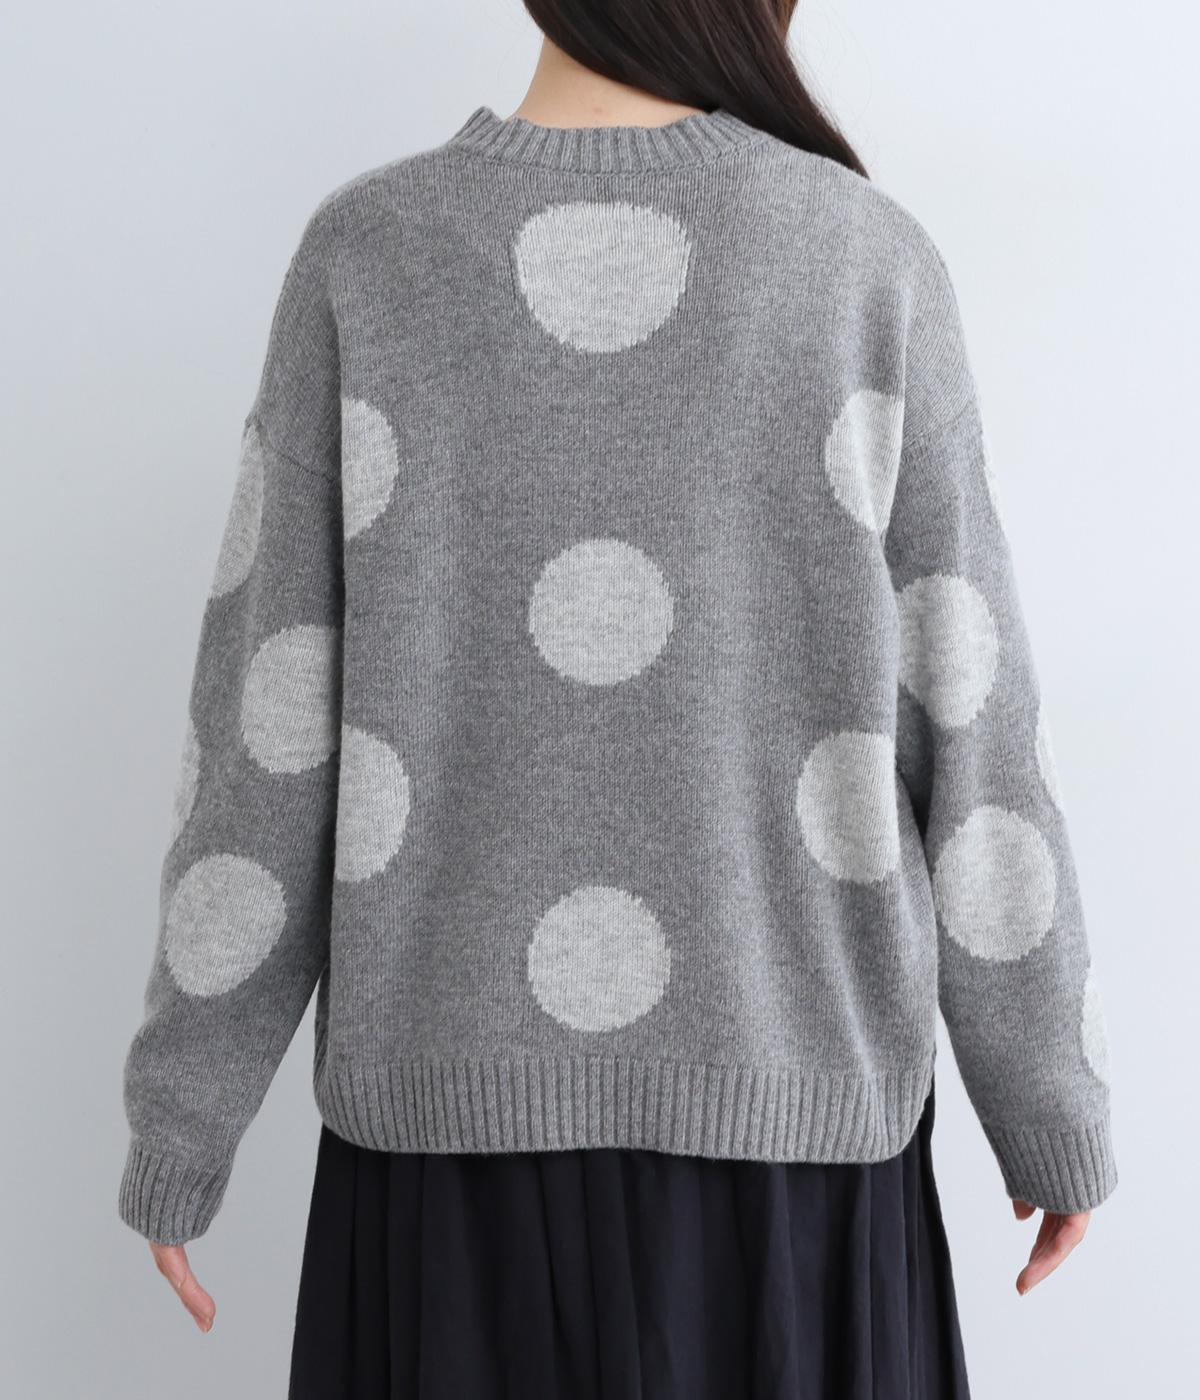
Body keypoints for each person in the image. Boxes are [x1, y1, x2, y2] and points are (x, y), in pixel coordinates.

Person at [117, 2, 1117, 1395]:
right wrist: (1048, 1103)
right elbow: (977, 728)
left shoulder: (369, 254)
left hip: (448, 1193)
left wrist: (183, 1119)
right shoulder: (862, 259)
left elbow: (266, 736)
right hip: (795, 1174)